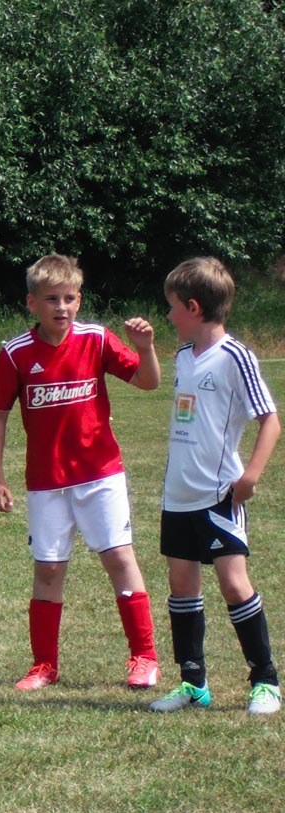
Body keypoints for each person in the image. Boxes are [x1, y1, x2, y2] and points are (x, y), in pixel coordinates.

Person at [0, 253, 161, 691]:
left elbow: (148, 382)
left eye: (69, 298)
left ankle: (145, 657)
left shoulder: (96, 339)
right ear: (32, 303)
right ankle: (44, 664)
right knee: (48, 569)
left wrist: (145, 349)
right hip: (46, 482)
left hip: (100, 474)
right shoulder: (16, 353)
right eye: (51, 299)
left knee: (119, 558)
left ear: (79, 300)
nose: (61, 307)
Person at [149, 257, 282, 715]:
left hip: (218, 494)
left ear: (194, 307)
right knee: (181, 586)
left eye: (173, 307)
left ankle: (266, 682)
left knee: (233, 583)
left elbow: (270, 420)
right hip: (177, 494)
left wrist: (251, 477)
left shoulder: (236, 357)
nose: (169, 316)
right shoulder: (183, 357)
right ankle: (193, 684)